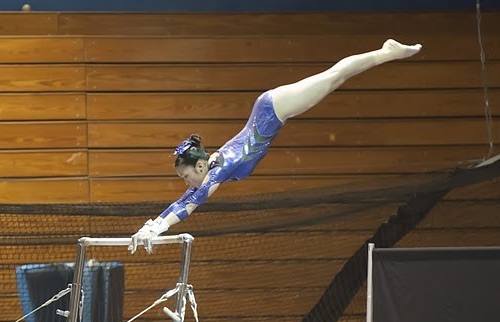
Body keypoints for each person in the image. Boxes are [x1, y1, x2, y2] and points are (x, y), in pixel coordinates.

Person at [128, 38, 422, 254]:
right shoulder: (212, 167)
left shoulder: (219, 170)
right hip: (274, 110)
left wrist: (159, 227)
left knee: (333, 77)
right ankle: (385, 53)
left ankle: (386, 52)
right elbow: (185, 199)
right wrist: (152, 224)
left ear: (200, 166)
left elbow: (194, 200)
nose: (186, 182)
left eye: (185, 175)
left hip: (272, 109)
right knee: (334, 80)